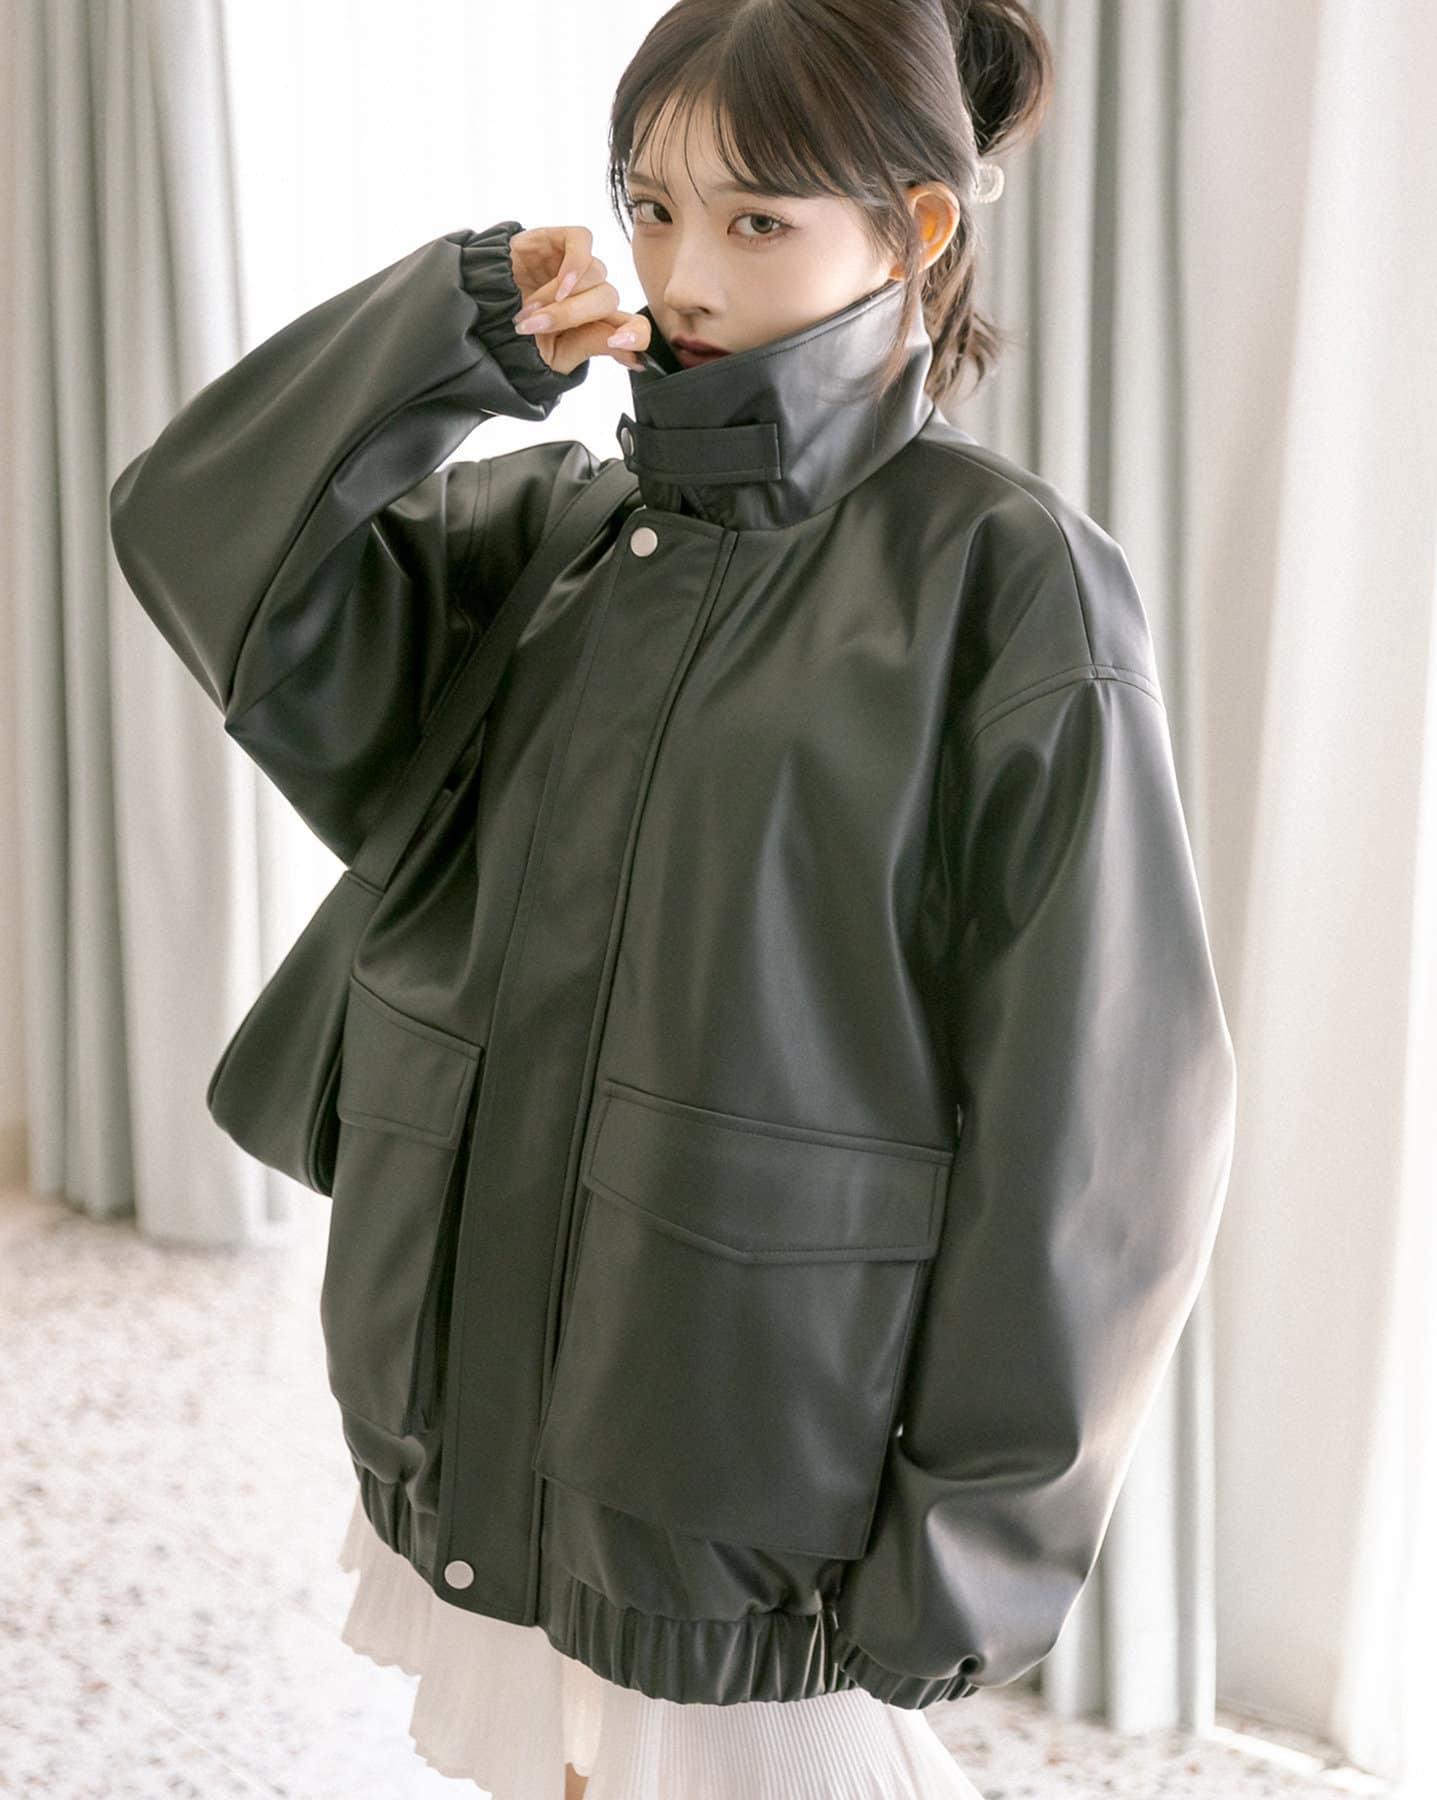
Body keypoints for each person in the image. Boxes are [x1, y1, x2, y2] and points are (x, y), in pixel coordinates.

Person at [108, 1, 1237, 1795]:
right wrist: (453, 333)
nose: (683, 272)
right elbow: (198, 527)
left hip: (746, 1466)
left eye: (757, 217)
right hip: (485, 1409)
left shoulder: (1007, 586)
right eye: (648, 205)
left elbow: (1103, 1129)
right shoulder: (555, 537)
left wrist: (969, 1550)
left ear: (915, 225)